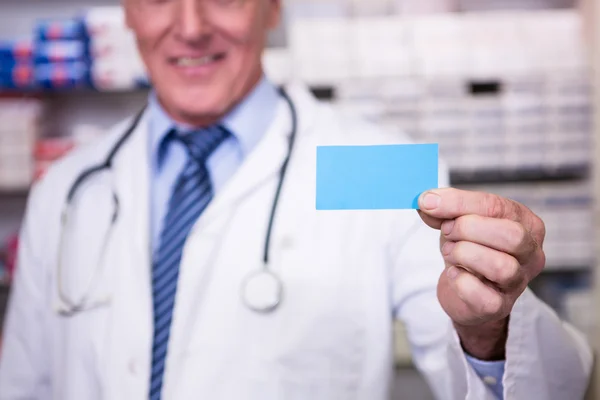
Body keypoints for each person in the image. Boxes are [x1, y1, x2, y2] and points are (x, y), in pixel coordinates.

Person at [0, 0, 593, 399]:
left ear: (273, 7)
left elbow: (541, 388)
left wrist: (489, 329)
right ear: (128, 11)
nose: (190, 26)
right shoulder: (69, 188)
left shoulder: (377, 164)